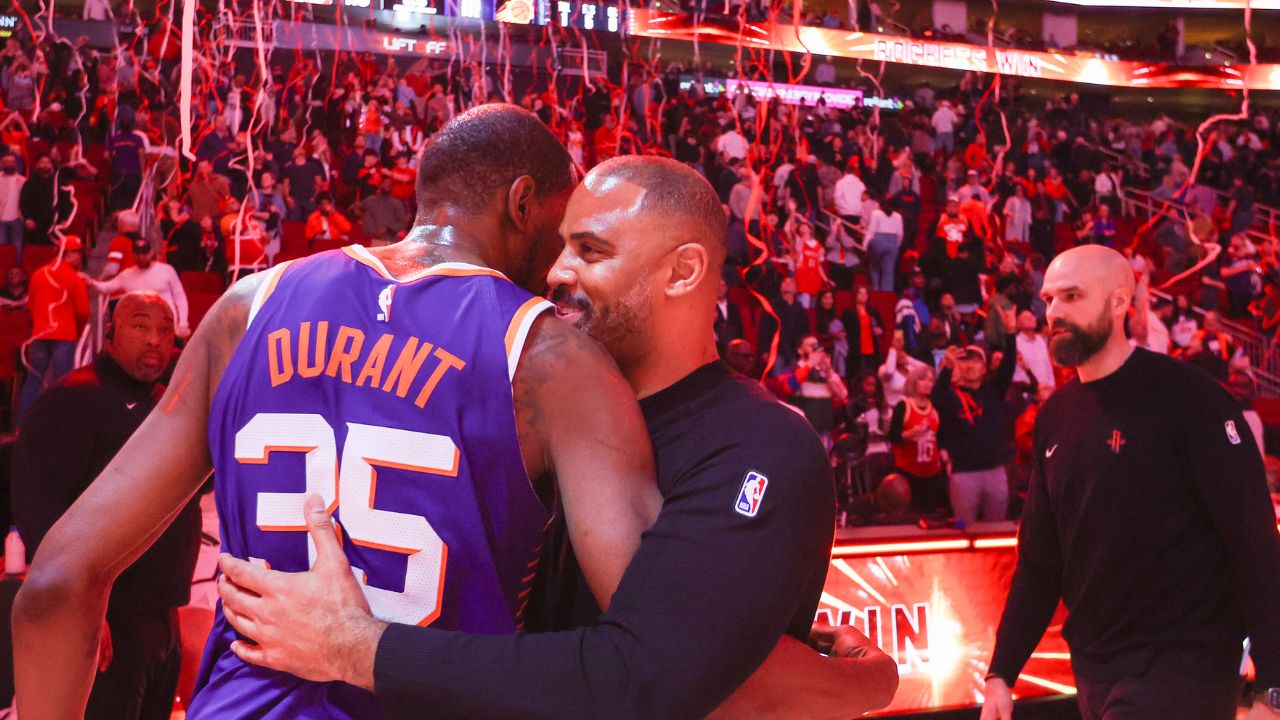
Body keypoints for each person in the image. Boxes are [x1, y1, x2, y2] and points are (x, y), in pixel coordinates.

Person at [13, 105, 664, 720]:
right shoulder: (554, 362)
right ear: (522, 203)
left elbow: (53, 586)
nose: (562, 264)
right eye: (562, 229)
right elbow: (657, 653)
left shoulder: (247, 308)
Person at [213, 156, 897, 719]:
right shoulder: (516, 394)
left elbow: (650, 674)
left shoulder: (758, 447)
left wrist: (356, 649)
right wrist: (863, 681)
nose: (555, 271)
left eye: (590, 250)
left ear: (683, 272)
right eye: (562, 242)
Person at [983, 245, 1280, 720]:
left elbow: (1253, 541)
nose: (1053, 312)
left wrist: (1273, 684)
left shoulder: (1190, 399)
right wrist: (1001, 673)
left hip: (1185, 661)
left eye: (1072, 296)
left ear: (1121, 301)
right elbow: (1041, 561)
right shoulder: (1055, 417)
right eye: (1049, 299)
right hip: (1095, 666)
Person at [12, 292, 198, 720]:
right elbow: (40, 505)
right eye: (140, 325)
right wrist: (78, 609)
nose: (154, 339)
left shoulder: (166, 401)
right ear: (110, 334)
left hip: (161, 615)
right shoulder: (73, 400)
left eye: (164, 330)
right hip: (105, 619)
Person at [933, 316, 1017, 524]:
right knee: (963, 529)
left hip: (995, 470)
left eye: (976, 360)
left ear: (984, 368)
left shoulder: (994, 390)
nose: (970, 365)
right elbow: (937, 398)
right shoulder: (950, 396)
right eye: (965, 360)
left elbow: (1008, 365)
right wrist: (946, 369)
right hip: (964, 474)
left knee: (996, 529)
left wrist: (1010, 333)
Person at [20, 235, 89, 417]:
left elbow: (31, 306)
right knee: (62, 384)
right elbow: (83, 312)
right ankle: (58, 423)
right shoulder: (74, 278)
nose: (80, 257)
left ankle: (22, 424)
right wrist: (78, 332)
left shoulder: (38, 274)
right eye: (78, 253)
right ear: (68, 254)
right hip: (64, 336)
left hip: (40, 334)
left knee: (34, 380)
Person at [85, 237, 191, 339]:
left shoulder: (167, 270)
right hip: (139, 328)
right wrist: (91, 282)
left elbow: (180, 297)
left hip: (165, 324)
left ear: (151, 253)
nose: (141, 257)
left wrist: (183, 323)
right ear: (133, 255)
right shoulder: (127, 274)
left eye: (144, 254)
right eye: (138, 254)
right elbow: (107, 287)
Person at [887, 363, 946, 515]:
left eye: (931, 380)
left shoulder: (935, 407)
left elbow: (940, 438)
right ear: (914, 382)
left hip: (933, 473)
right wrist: (911, 433)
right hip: (909, 473)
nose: (928, 384)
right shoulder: (903, 406)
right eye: (923, 380)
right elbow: (892, 436)